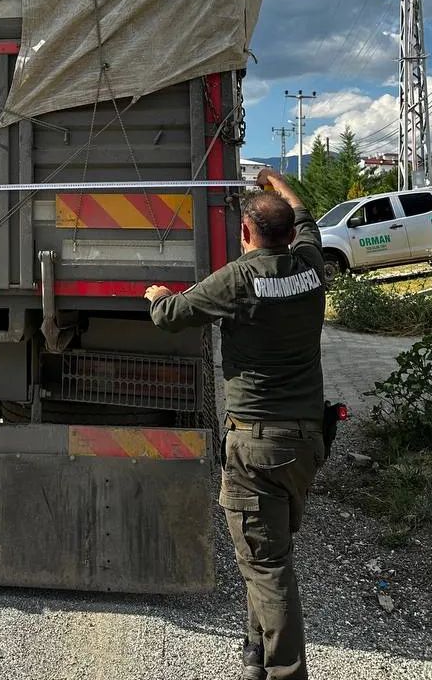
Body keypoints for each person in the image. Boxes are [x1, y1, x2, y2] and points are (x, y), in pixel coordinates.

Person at [144, 166, 326, 680]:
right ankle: (256, 659)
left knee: (266, 566)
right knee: (267, 549)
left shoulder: (240, 279)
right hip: (304, 441)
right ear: (291, 235)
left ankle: (287, 672)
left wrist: (156, 296)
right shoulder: (312, 266)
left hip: (255, 445)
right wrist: (277, 181)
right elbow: (305, 213)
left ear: (246, 233)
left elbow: (173, 315)